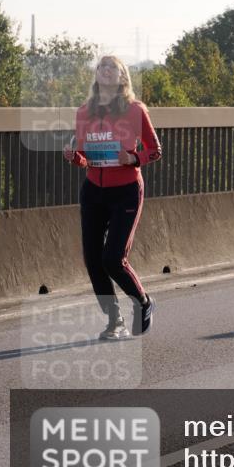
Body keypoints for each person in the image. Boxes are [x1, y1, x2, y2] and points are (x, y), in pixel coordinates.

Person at [63, 55, 161, 340]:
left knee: (113, 259)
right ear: (96, 76)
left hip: (126, 190)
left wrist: (133, 157)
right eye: (101, 67)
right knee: (93, 260)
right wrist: (74, 157)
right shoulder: (84, 112)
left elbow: (155, 150)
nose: (105, 70)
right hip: (93, 191)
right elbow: (84, 158)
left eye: (112, 67)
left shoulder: (134, 110)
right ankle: (114, 320)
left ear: (122, 77)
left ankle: (143, 302)